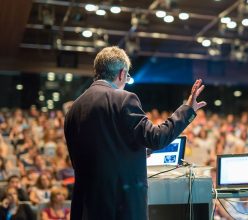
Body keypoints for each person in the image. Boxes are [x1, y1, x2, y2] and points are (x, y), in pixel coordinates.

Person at [64, 46, 207, 220]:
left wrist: (139, 152)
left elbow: (97, 154)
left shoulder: (74, 109)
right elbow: (156, 138)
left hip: (85, 208)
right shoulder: (123, 98)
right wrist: (187, 110)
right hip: (120, 206)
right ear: (122, 73)